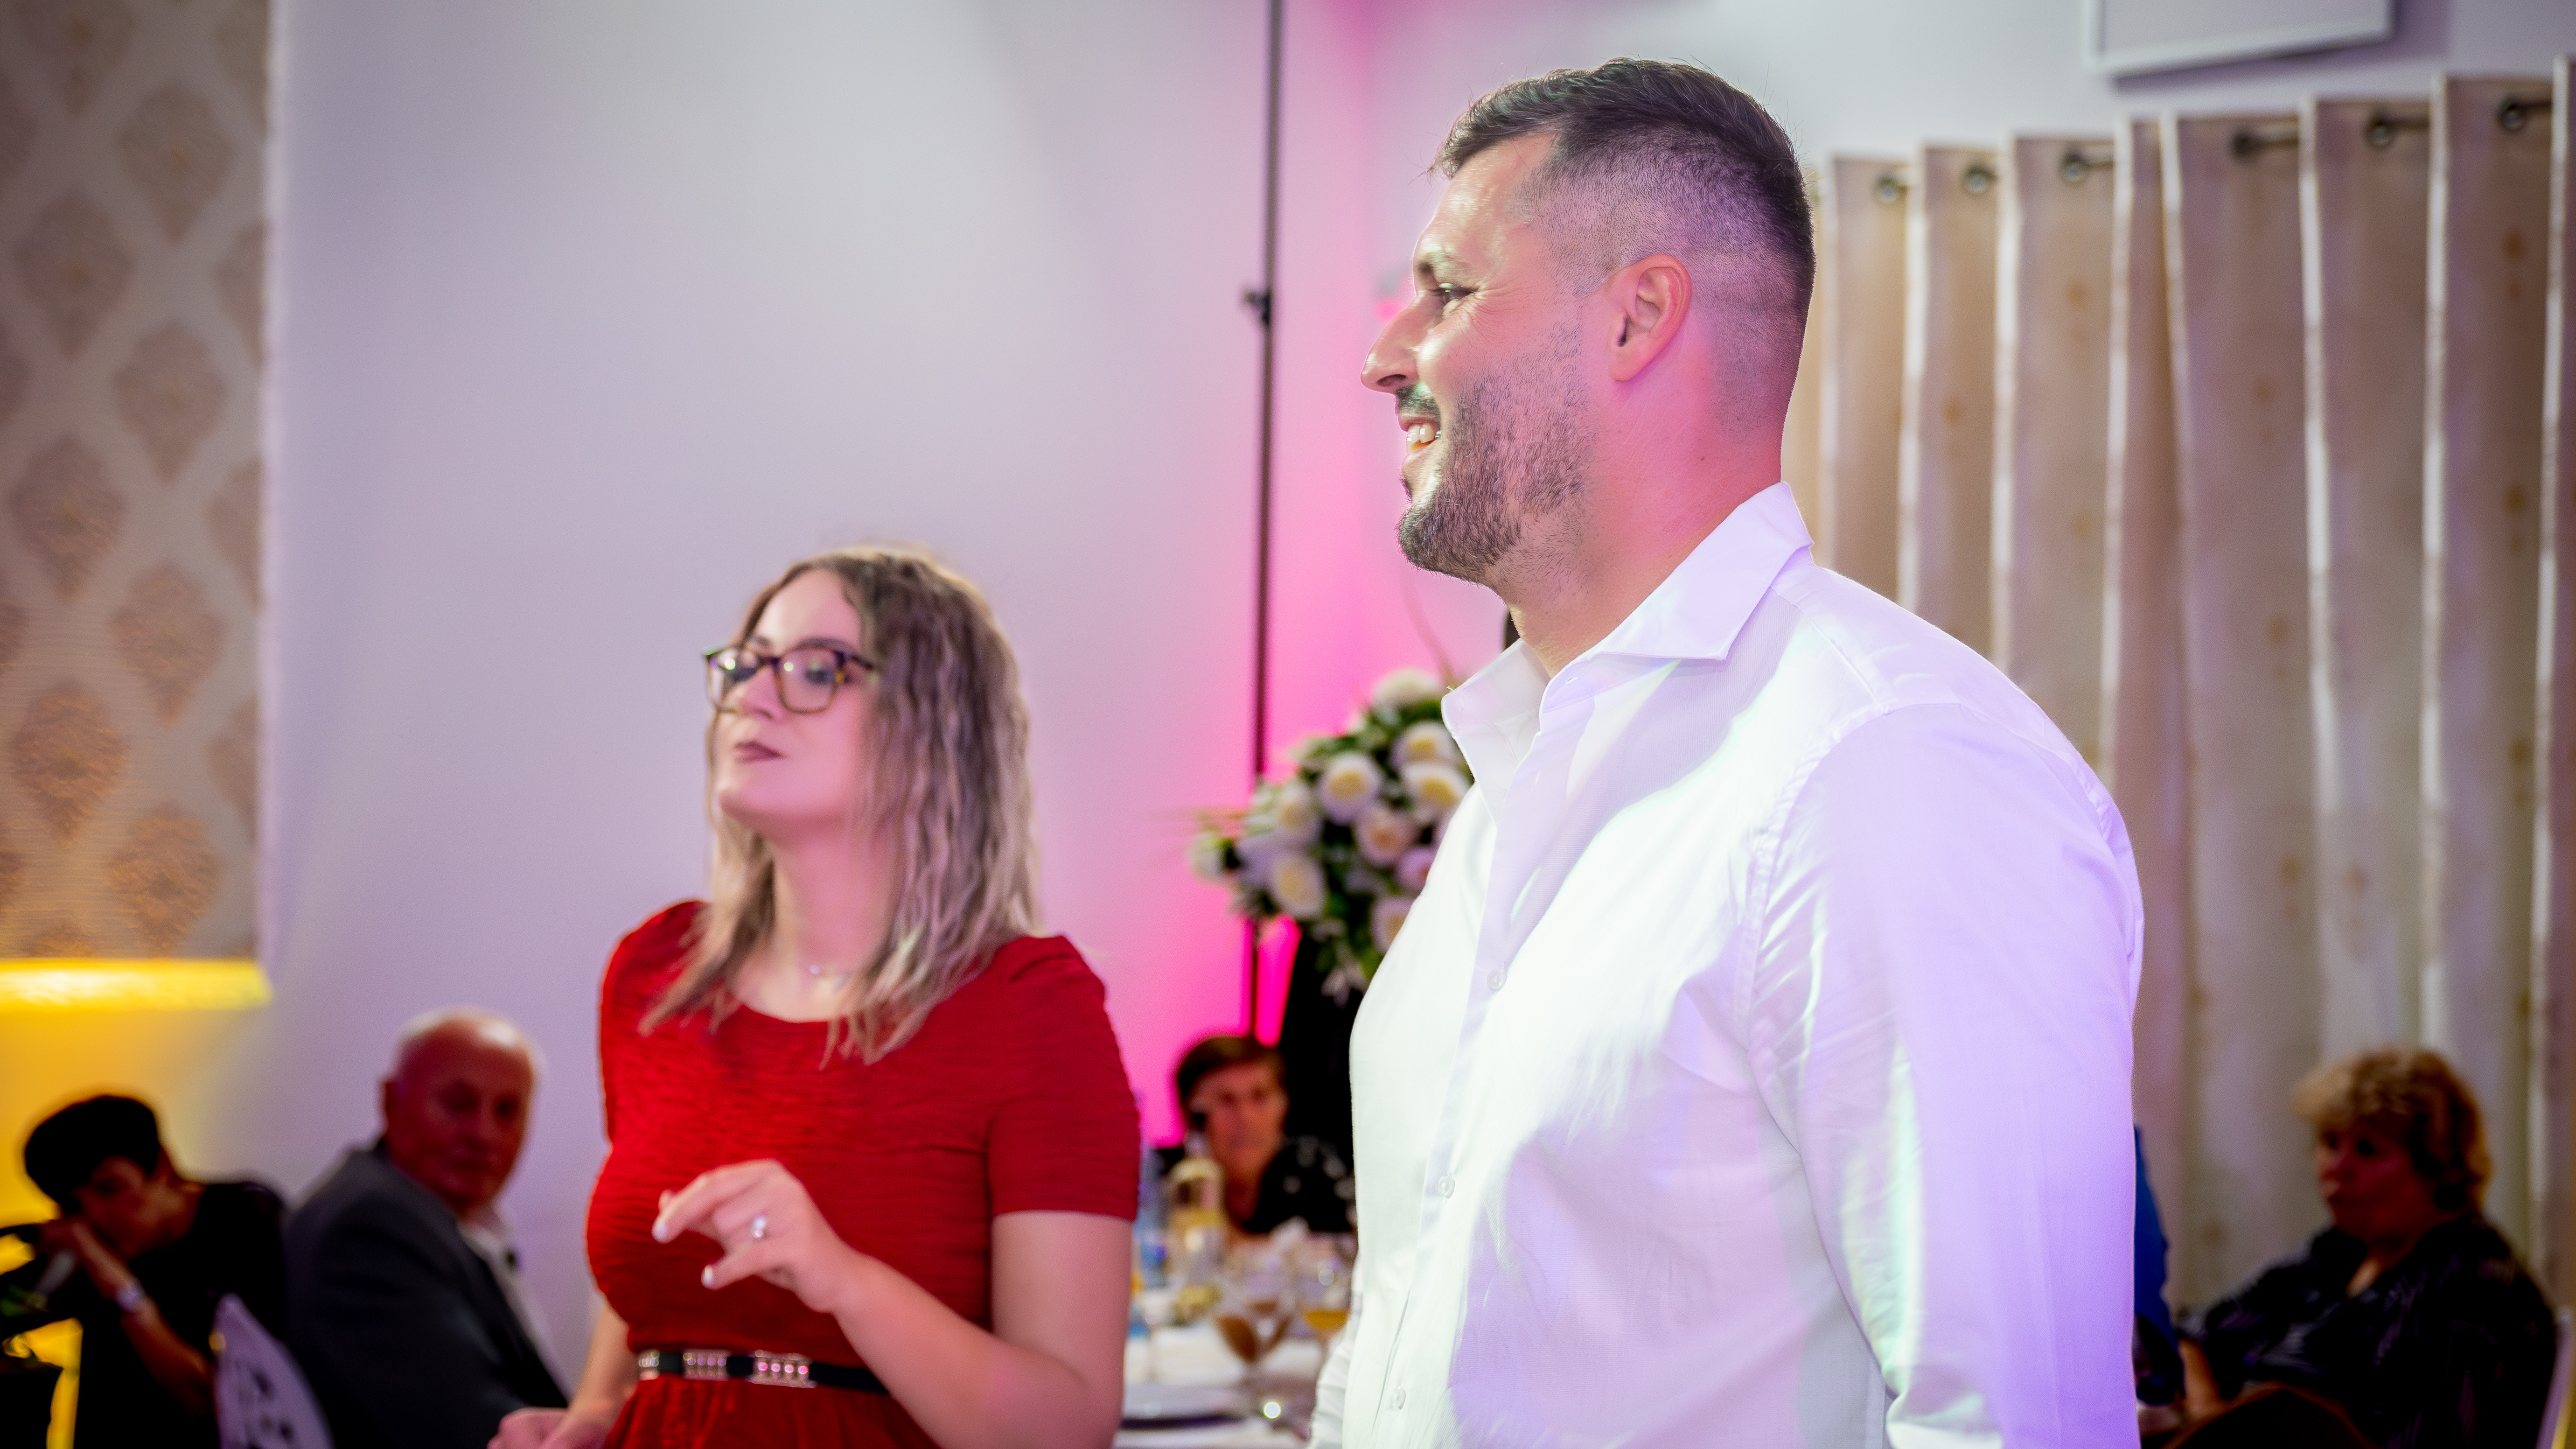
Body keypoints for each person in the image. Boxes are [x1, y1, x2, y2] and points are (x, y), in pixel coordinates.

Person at [1313, 59, 2141, 1446]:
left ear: (1637, 316)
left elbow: (2009, 1420)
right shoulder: (1510, 785)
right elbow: (1401, 1323)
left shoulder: (1888, 772)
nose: (1383, 354)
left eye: (1447, 290)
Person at [495, 547, 1138, 1449]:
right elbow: (653, 1288)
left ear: (934, 727)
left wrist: (842, 1277)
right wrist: (596, 1417)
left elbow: (1067, 1428)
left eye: (814, 669)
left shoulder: (1029, 1009)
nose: (753, 697)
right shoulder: (657, 974)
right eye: (747, 665)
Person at [2177, 1048, 2556, 1448]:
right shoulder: (2338, 1252)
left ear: (2436, 1167)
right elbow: (2192, 1338)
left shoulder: (2466, 1288)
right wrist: (2207, 1420)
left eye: (2367, 1149)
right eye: (2329, 1142)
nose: (2336, 1167)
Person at [288, 1008, 567, 1447]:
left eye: (508, 1110)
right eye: (458, 1104)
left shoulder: (420, 1214)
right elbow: (476, 1432)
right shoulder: (371, 1231)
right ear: (390, 1101)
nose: (483, 1134)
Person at [0, 1094, 286, 1448]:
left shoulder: (243, 1224)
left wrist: (122, 1291)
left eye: (109, 1188)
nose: (96, 1216)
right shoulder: (93, 1246)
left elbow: (221, 1405)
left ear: (161, 1166)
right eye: (74, 1204)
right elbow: (12, 1306)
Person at [1160, 1036, 1353, 1235]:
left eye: (1260, 1097)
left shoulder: (1315, 1171)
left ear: (1284, 1105)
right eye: (1227, 1100)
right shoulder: (1162, 1181)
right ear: (1192, 1114)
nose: (1246, 1117)